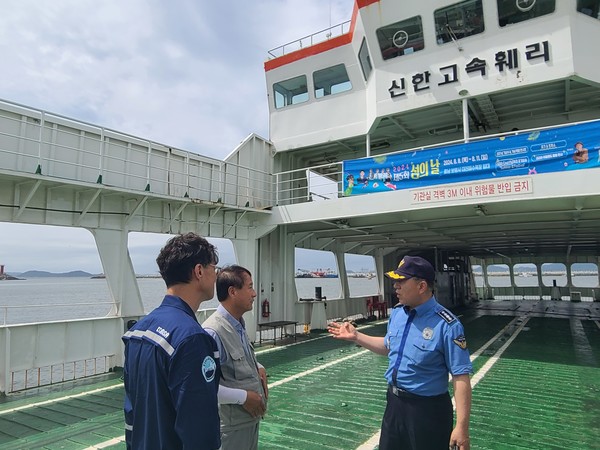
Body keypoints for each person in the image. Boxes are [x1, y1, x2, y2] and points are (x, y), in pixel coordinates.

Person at [328, 255, 472, 450]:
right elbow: (389, 347)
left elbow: (460, 376)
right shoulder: (397, 313)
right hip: (395, 405)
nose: (395, 286)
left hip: (428, 411)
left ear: (421, 286)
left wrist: (461, 427)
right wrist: (356, 336)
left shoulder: (447, 325)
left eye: (401, 281)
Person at [122, 233, 221, 450]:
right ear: (199, 271)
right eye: (215, 268)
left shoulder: (138, 332)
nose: (216, 275)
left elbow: (131, 413)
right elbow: (199, 430)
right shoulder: (192, 339)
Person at [203, 265, 268, 450]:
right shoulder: (212, 332)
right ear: (232, 291)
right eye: (249, 287)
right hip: (230, 430)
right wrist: (244, 397)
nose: (254, 293)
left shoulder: (237, 324)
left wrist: (258, 366)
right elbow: (205, 387)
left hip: (248, 422)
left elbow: (236, 359)